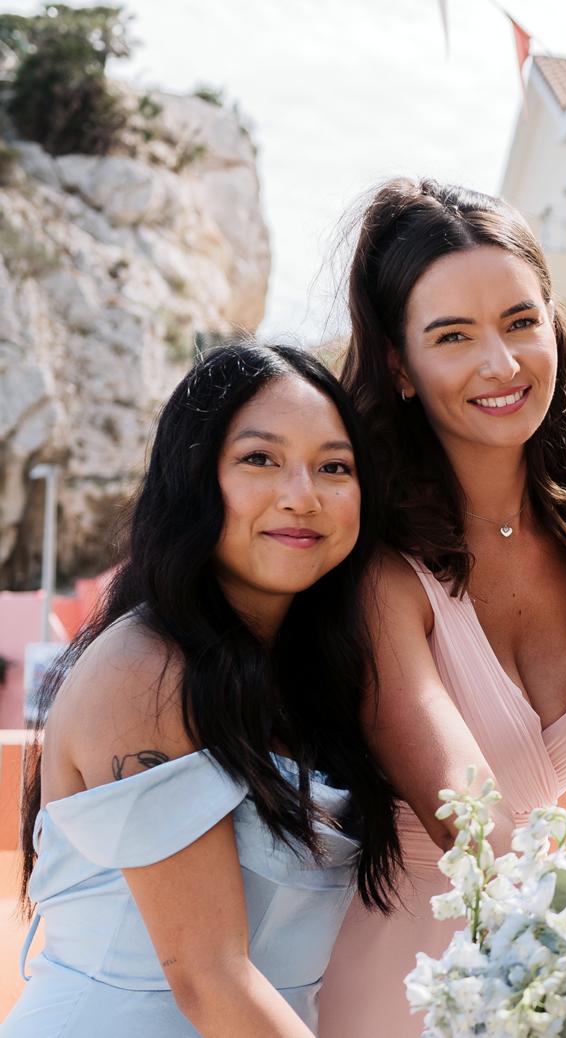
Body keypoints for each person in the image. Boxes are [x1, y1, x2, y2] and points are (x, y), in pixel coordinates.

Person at [3, 342, 403, 1036]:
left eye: (333, 467)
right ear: (193, 479)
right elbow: (209, 977)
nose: (302, 495)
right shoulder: (145, 670)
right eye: (260, 459)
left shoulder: (316, 677)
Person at [317, 179, 566, 1035]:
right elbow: (475, 829)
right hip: (417, 986)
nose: (501, 363)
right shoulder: (377, 568)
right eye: (452, 336)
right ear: (397, 366)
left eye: (521, 322)